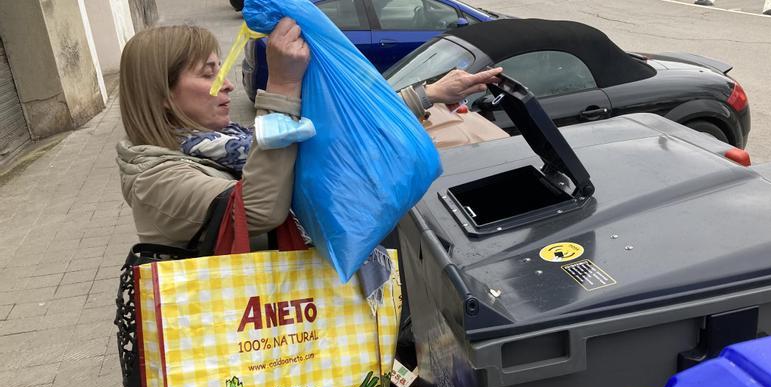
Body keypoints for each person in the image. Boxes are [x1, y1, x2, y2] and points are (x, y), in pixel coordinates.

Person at [117, 19, 502, 248]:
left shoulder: (226, 145)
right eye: (207, 74)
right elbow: (257, 211)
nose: (227, 86)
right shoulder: (157, 178)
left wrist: (430, 94)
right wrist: (282, 86)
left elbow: (330, 137)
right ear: (163, 96)